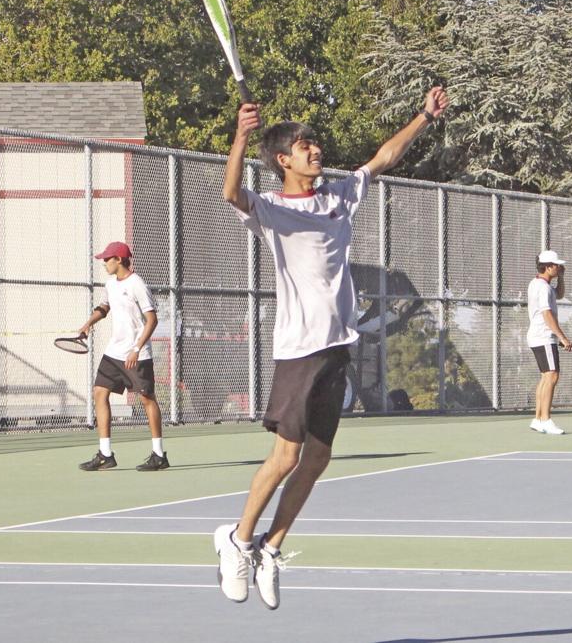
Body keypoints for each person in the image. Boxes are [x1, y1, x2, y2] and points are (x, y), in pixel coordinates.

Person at [213, 86, 450, 610]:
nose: (315, 149)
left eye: (314, 142)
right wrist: (239, 137)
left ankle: (271, 547)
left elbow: (383, 158)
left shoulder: (339, 196)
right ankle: (237, 539)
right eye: (304, 146)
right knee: (285, 456)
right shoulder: (271, 208)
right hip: (299, 350)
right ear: (282, 160)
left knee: (318, 457)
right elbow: (231, 193)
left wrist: (424, 117)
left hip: (338, 345)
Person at [76, 241, 169, 471]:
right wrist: (89, 323)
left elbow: (152, 320)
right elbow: (105, 307)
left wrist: (137, 348)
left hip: (136, 355)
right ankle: (105, 454)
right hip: (113, 353)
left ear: (119, 259)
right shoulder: (110, 284)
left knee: (147, 399)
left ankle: (159, 455)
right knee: (99, 393)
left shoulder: (137, 284)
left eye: (107, 259)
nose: (104, 263)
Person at [527, 250, 572, 435]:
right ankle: (546, 419)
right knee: (552, 375)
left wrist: (561, 277)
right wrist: (562, 337)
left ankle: (538, 419)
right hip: (543, 336)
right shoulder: (542, 287)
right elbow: (547, 314)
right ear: (546, 266)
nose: (558, 267)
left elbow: (559, 295)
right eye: (555, 265)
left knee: (546, 376)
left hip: (540, 337)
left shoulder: (539, 284)